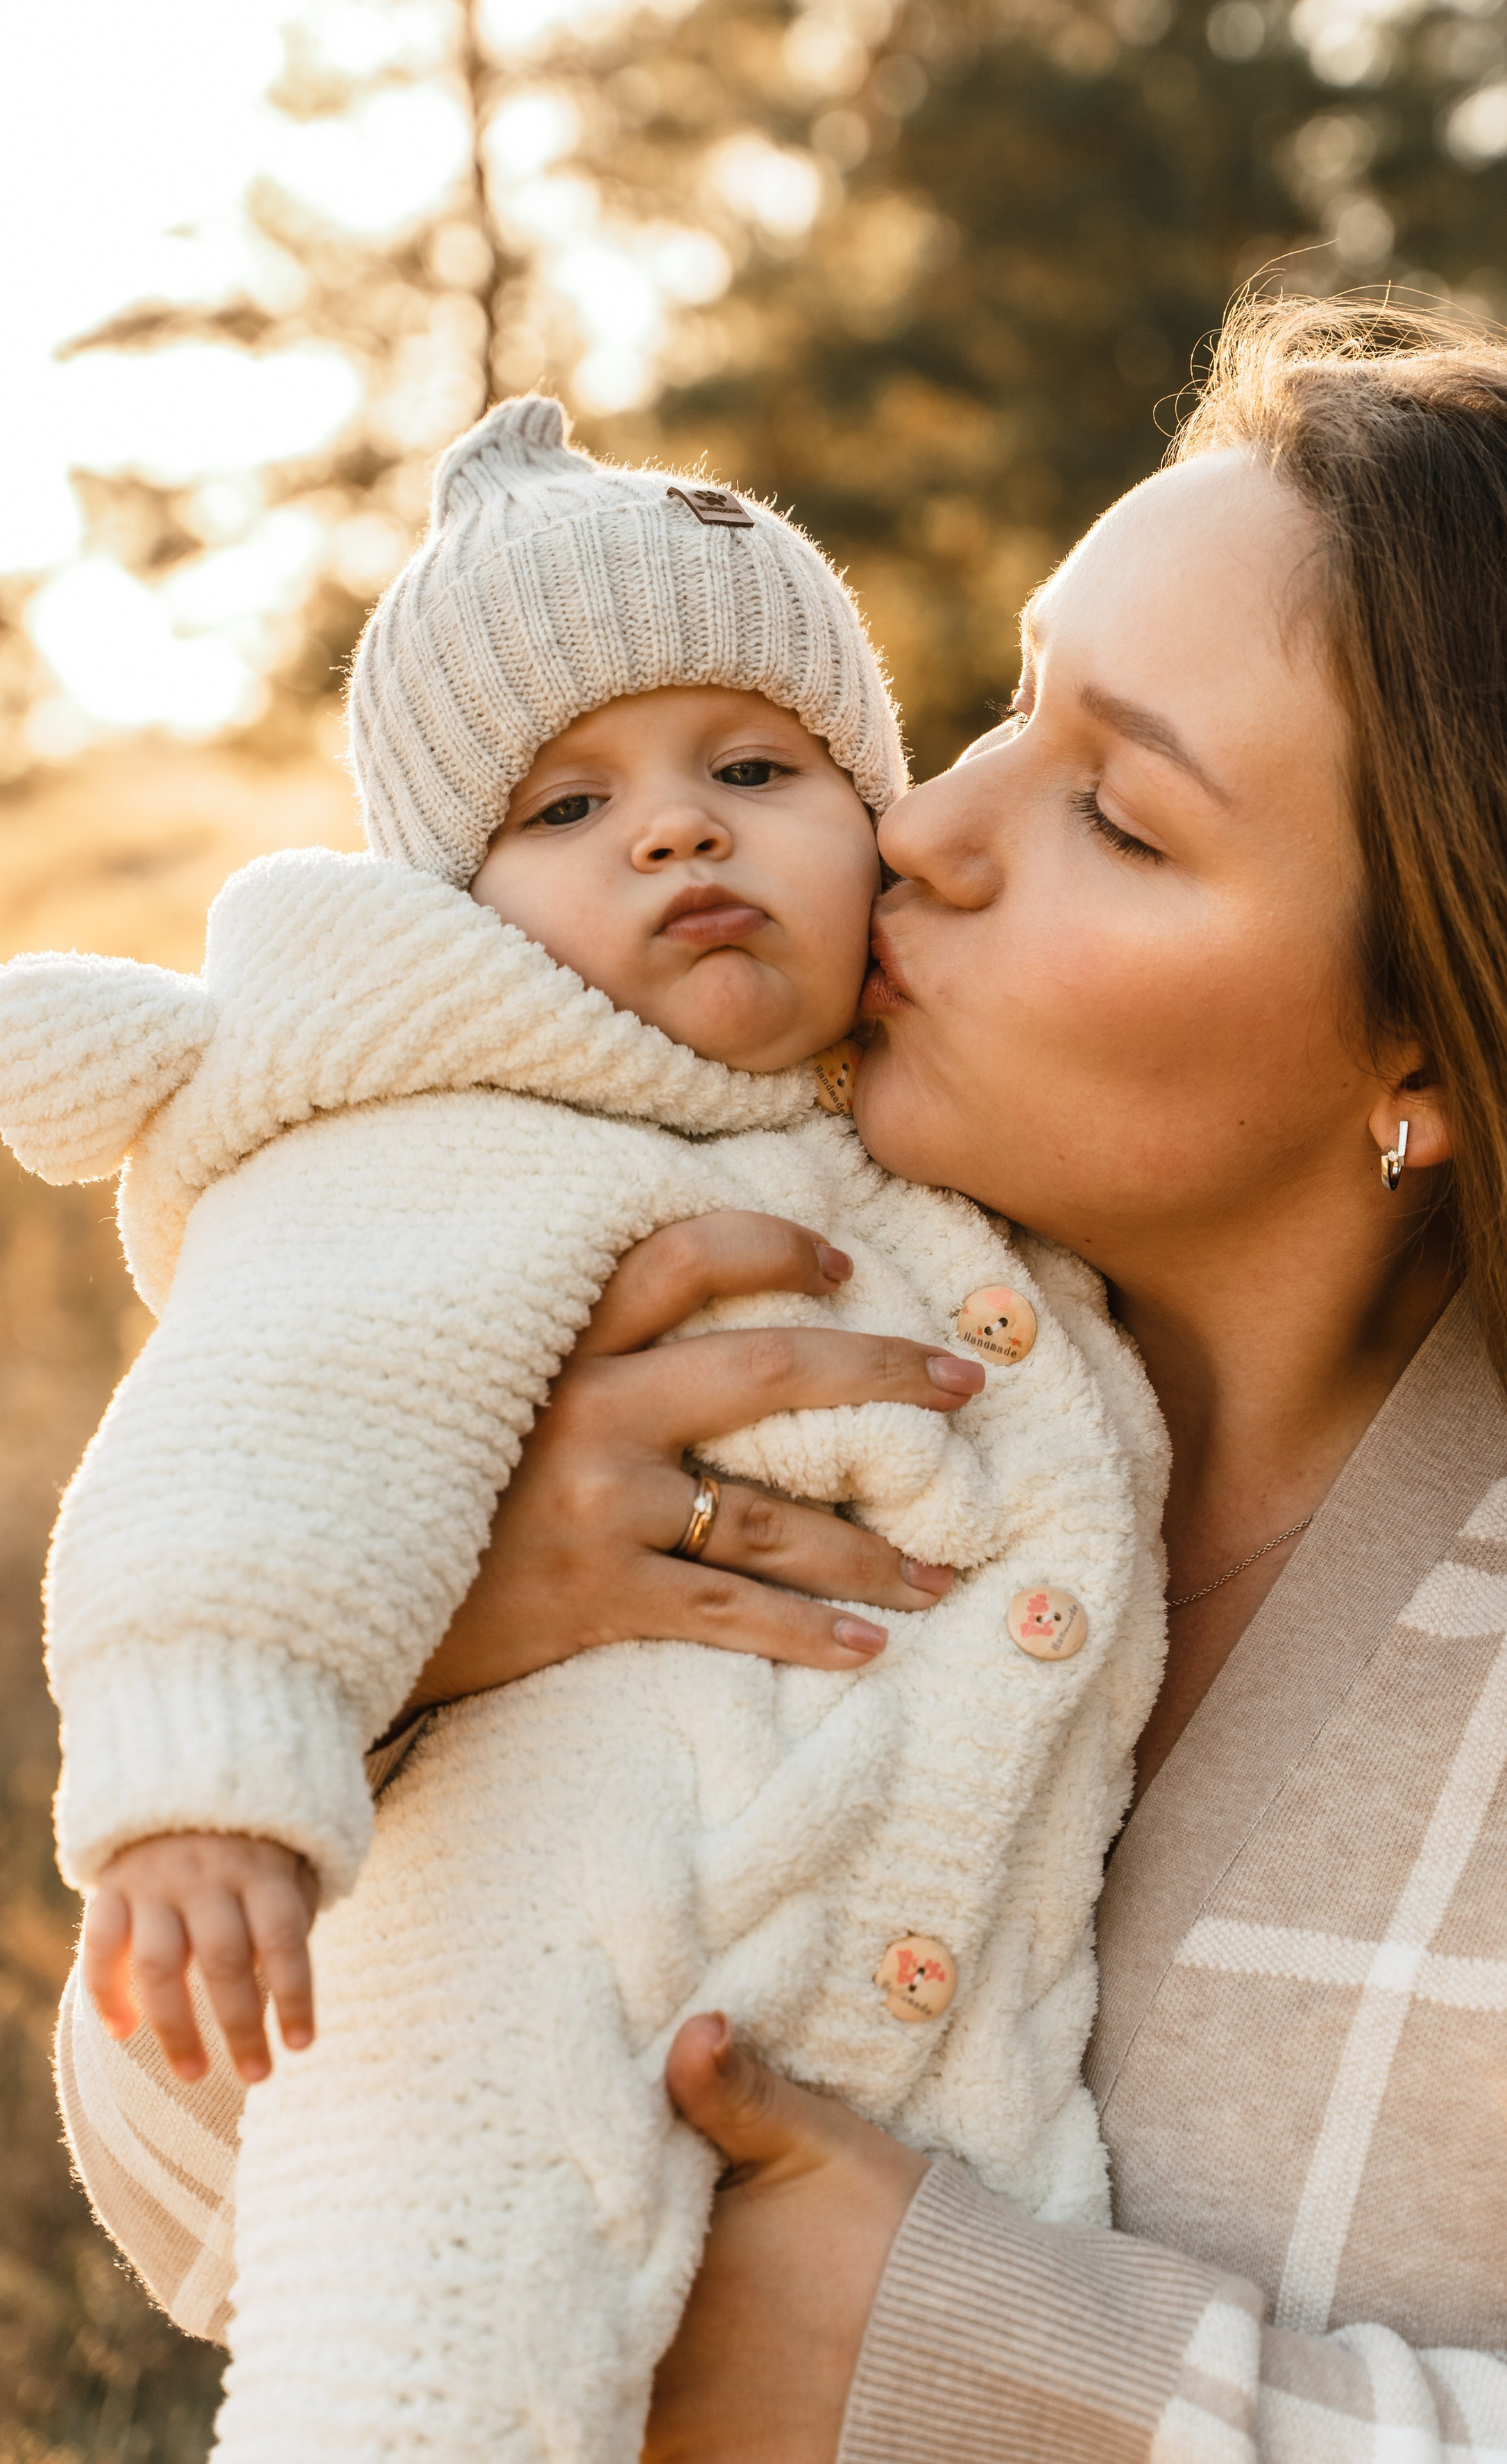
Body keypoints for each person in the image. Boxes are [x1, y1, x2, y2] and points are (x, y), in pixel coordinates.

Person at [56, 298, 1507, 2464]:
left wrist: (948, 2362)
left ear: (1438, 1037)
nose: (930, 825)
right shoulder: (697, 1360)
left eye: (1121, 818)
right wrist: (410, 1676)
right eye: (1005, 709)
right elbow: (206, 2208)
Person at [1, 400, 1168, 2462]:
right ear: (455, 908)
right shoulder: (458, 1143)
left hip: (906, 2036)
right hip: (507, 1966)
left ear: (873, 815)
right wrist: (214, 1772)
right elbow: (272, 1418)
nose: (676, 833)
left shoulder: (945, 1136)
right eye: (564, 809)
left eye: (754, 769)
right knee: (433, 2368)